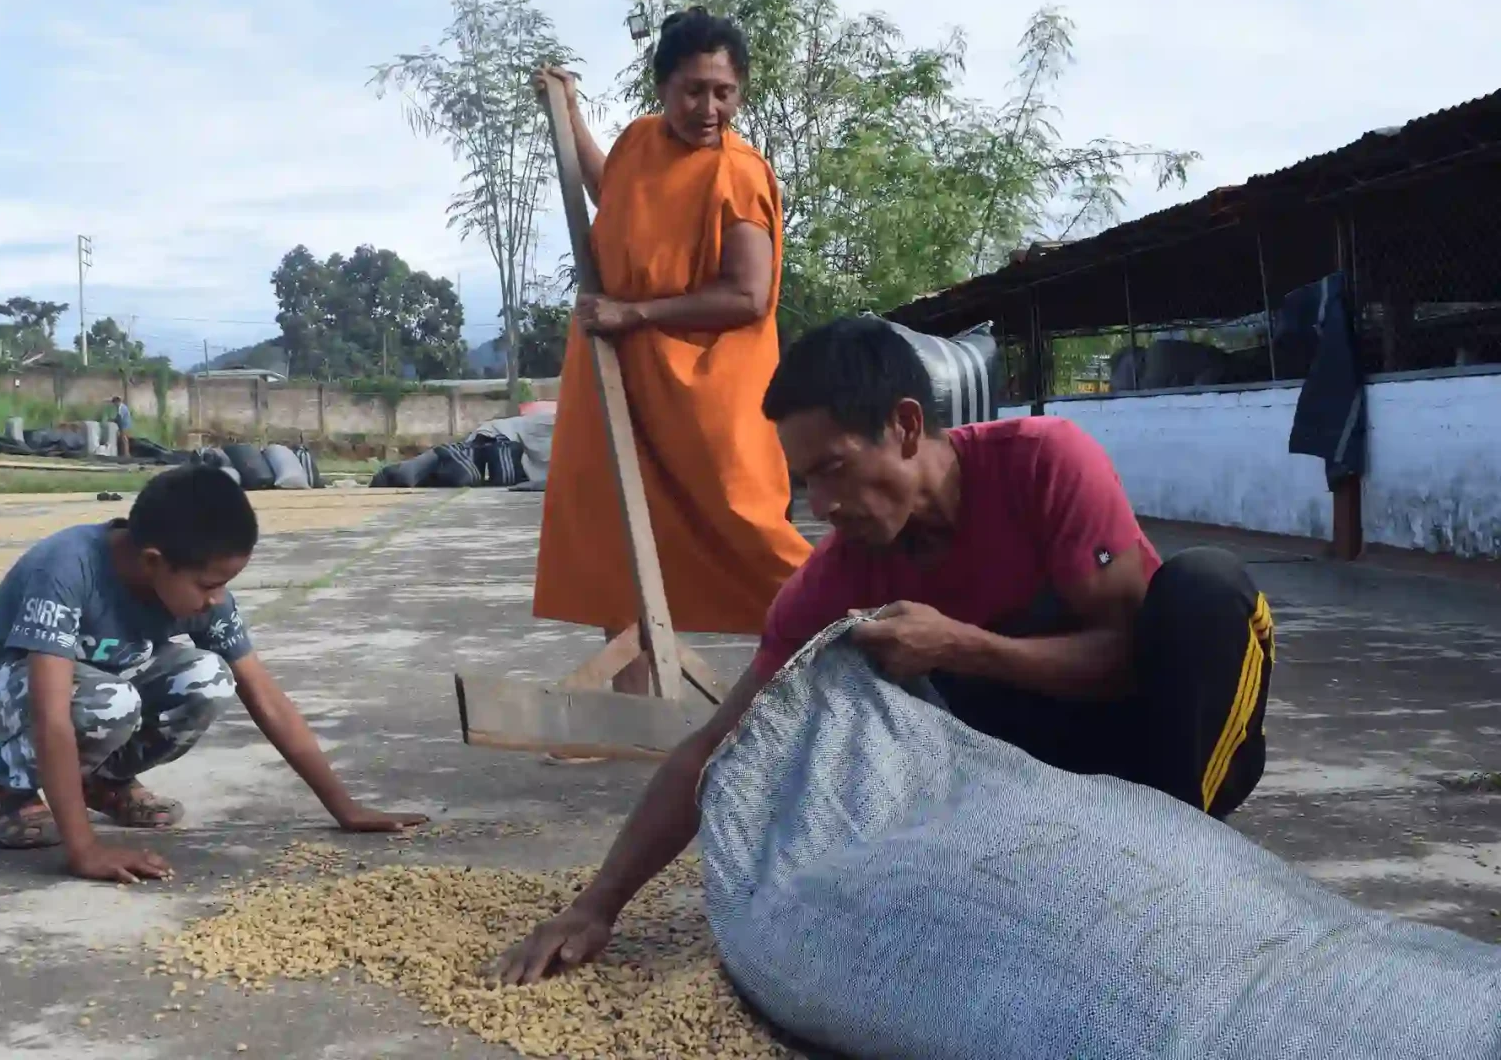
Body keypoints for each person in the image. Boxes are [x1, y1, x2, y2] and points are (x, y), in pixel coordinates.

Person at [497, 314, 1276, 984]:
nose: (825, 505)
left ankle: (1183, 876)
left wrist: (965, 645)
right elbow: (717, 746)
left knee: (1206, 589)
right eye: (806, 482)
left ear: (905, 427)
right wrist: (599, 903)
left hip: (1172, 747)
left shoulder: (1045, 462)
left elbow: (1128, 660)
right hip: (1043, 782)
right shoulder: (834, 579)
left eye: (835, 469)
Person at [0, 464, 424, 883]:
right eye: (209, 585)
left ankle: (101, 781)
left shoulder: (200, 592)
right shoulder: (66, 567)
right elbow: (52, 711)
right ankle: (0, 784)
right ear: (154, 562)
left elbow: (265, 697)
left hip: (106, 685)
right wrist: (85, 849)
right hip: (10, 682)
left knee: (209, 678)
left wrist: (346, 809)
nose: (217, 599)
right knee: (109, 704)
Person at [531, 8, 812, 694]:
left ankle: (842, 646)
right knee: (616, 532)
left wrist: (636, 312)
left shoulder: (739, 174)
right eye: (693, 90)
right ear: (662, 87)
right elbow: (616, 194)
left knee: (749, 527)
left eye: (724, 91)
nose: (709, 107)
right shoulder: (639, 143)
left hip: (709, 390)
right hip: (621, 373)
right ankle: (636, 703)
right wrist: (570, 119)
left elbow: (747, 295)